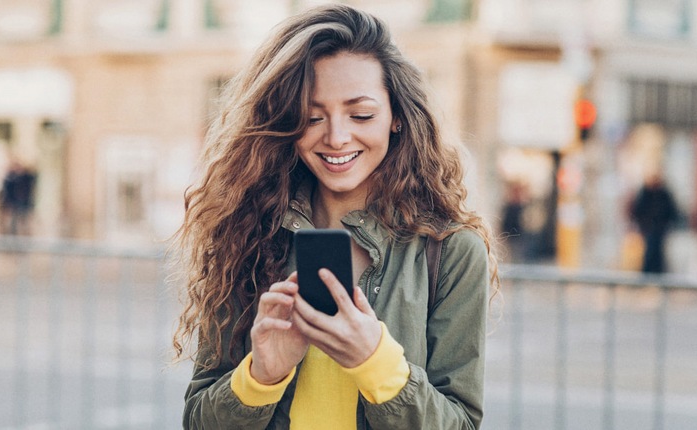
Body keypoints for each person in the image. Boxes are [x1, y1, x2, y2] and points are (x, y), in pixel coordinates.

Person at [172, 5, 499, 429]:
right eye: (311, 117)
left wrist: (376, 363)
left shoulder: (451, 251)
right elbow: (199, 421)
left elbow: (460, 424)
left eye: (361, 115)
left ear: (397, 116)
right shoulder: (247, 232)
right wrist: (260, 377)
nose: (337, 137)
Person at [629, 172, 680, 273]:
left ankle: (658, 272)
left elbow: (672, 210)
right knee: (650, 250)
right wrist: (643, 223)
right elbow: (637, 210)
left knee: (658, 251)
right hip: (648, 228)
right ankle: (648, 273)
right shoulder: (645, 193)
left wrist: (667, 223)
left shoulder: (664, 194)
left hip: (660, 229)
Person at [0, 158, 37, 235]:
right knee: (13, 219)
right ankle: (12, 233)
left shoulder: (25, 177)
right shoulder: (11, 177)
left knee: (23, 218)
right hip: (13, 201)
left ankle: (25, 233)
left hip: (23, 200)